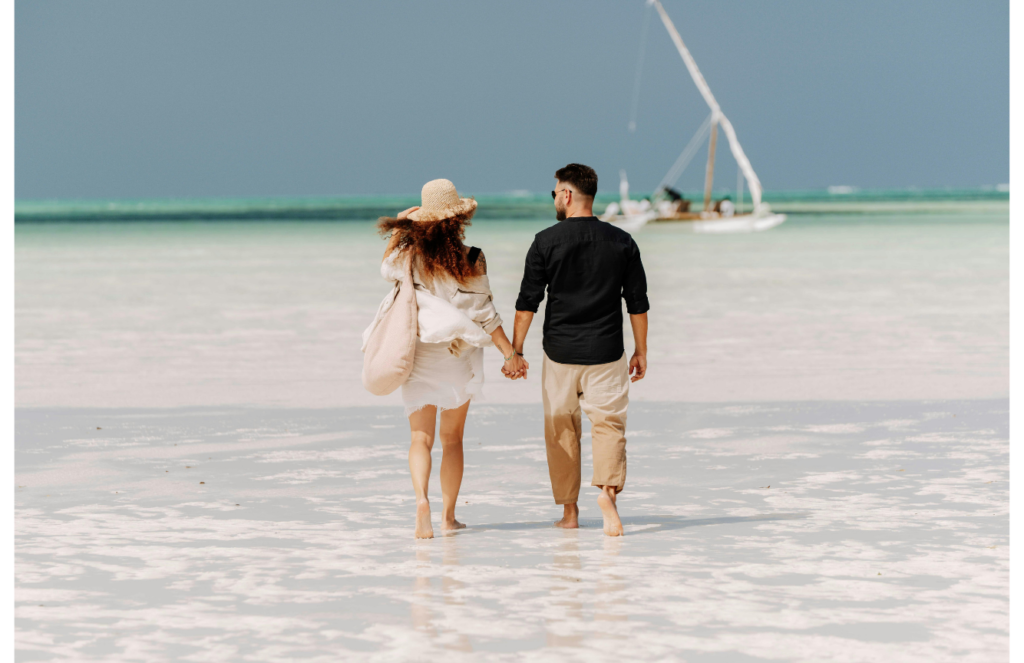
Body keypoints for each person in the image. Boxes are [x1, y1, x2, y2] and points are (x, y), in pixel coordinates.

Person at [372, 179, 527, 539]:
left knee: (420, 438)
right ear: (459, 219)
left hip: (418, 353)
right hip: (458, 355)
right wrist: (511, 355)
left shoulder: (407, 257)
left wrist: (403, 224)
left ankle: (421, 501)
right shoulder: (473, 258)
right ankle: (448, 517)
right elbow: (485, 314)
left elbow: (385, 267)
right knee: (452, 439)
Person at [509, 164, 649, 537]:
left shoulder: (545, 241)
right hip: (607, 350)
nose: (554, 198)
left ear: (567, 195)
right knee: (609, 425)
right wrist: (641, 351)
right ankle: (607, 495)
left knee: (561, 429)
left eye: (555, 192)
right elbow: (637, 303)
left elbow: (527, 303)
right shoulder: (622, 241)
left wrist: (515, 351)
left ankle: (570, 513)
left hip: (559, 352)